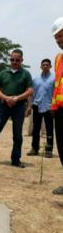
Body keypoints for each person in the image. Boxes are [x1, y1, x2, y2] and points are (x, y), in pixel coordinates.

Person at [0, 49, 33, 168]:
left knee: (17, 135)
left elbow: (30, 90)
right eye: (12, 59)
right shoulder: (3, 73)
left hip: (19, 107)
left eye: (17, 60)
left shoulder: (26, 74)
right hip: (3, 106)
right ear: (10, 59)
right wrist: (6, 98)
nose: (14, 62)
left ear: (21, 60)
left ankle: (16, 160)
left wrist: (16, 98)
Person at [27, 59, 55, 158]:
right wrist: (29, 106)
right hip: (37, 106)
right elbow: (31, 94)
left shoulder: (54, 79)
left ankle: (49, 150)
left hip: (49, 107)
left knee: (49, 129)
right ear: (40, 66)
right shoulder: (35, 79)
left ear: (50, 66)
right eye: (43, 65)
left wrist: (54, 106)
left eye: (47, 65)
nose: (45, 66)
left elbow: (56, 93)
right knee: (36, 129)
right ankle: (34, 148)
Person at [50, 17, 63, 195]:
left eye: (61, 36)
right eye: (57, 38)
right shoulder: (59, 59)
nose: (59, 41)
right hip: (60, 110)